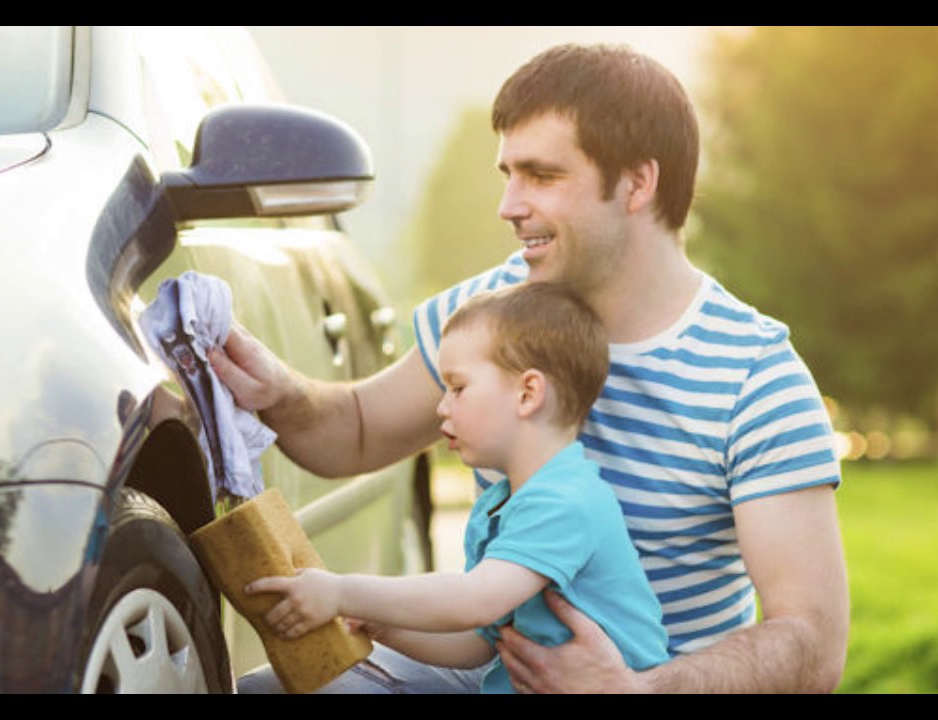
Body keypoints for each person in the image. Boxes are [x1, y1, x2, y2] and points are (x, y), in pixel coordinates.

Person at [212, 42, 849, 694]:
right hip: (489, 670)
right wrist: (276, 390)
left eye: (542, 176)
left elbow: (811, 643)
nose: (509, 205)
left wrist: (637, 689)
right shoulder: (490, 314)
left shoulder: (755, 377)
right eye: (507, 174)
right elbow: (353, 429)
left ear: (637, 182)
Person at [244, 282, 669, 693]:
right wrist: (383, 624)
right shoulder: (503, 503)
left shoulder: (566, 500)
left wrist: (341, 592)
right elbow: (476, 642)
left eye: (458, 387)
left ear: (528, 394)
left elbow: (473, 600)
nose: (441, 406)